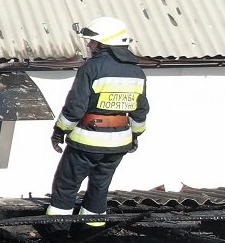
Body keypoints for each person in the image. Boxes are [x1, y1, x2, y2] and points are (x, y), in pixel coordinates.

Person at [46, 16, 149, 227]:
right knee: (100, 188)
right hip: (119, 143)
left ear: (105, 44)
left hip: (88, 141)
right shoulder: (137, 72)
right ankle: (88, 234)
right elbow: (141, 110)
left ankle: (56, 234)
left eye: (93, 41)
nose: (89, 45)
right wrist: (135, 136)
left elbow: (75, 107)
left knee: (66, 186)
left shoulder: (91, 68)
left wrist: (60, 131)